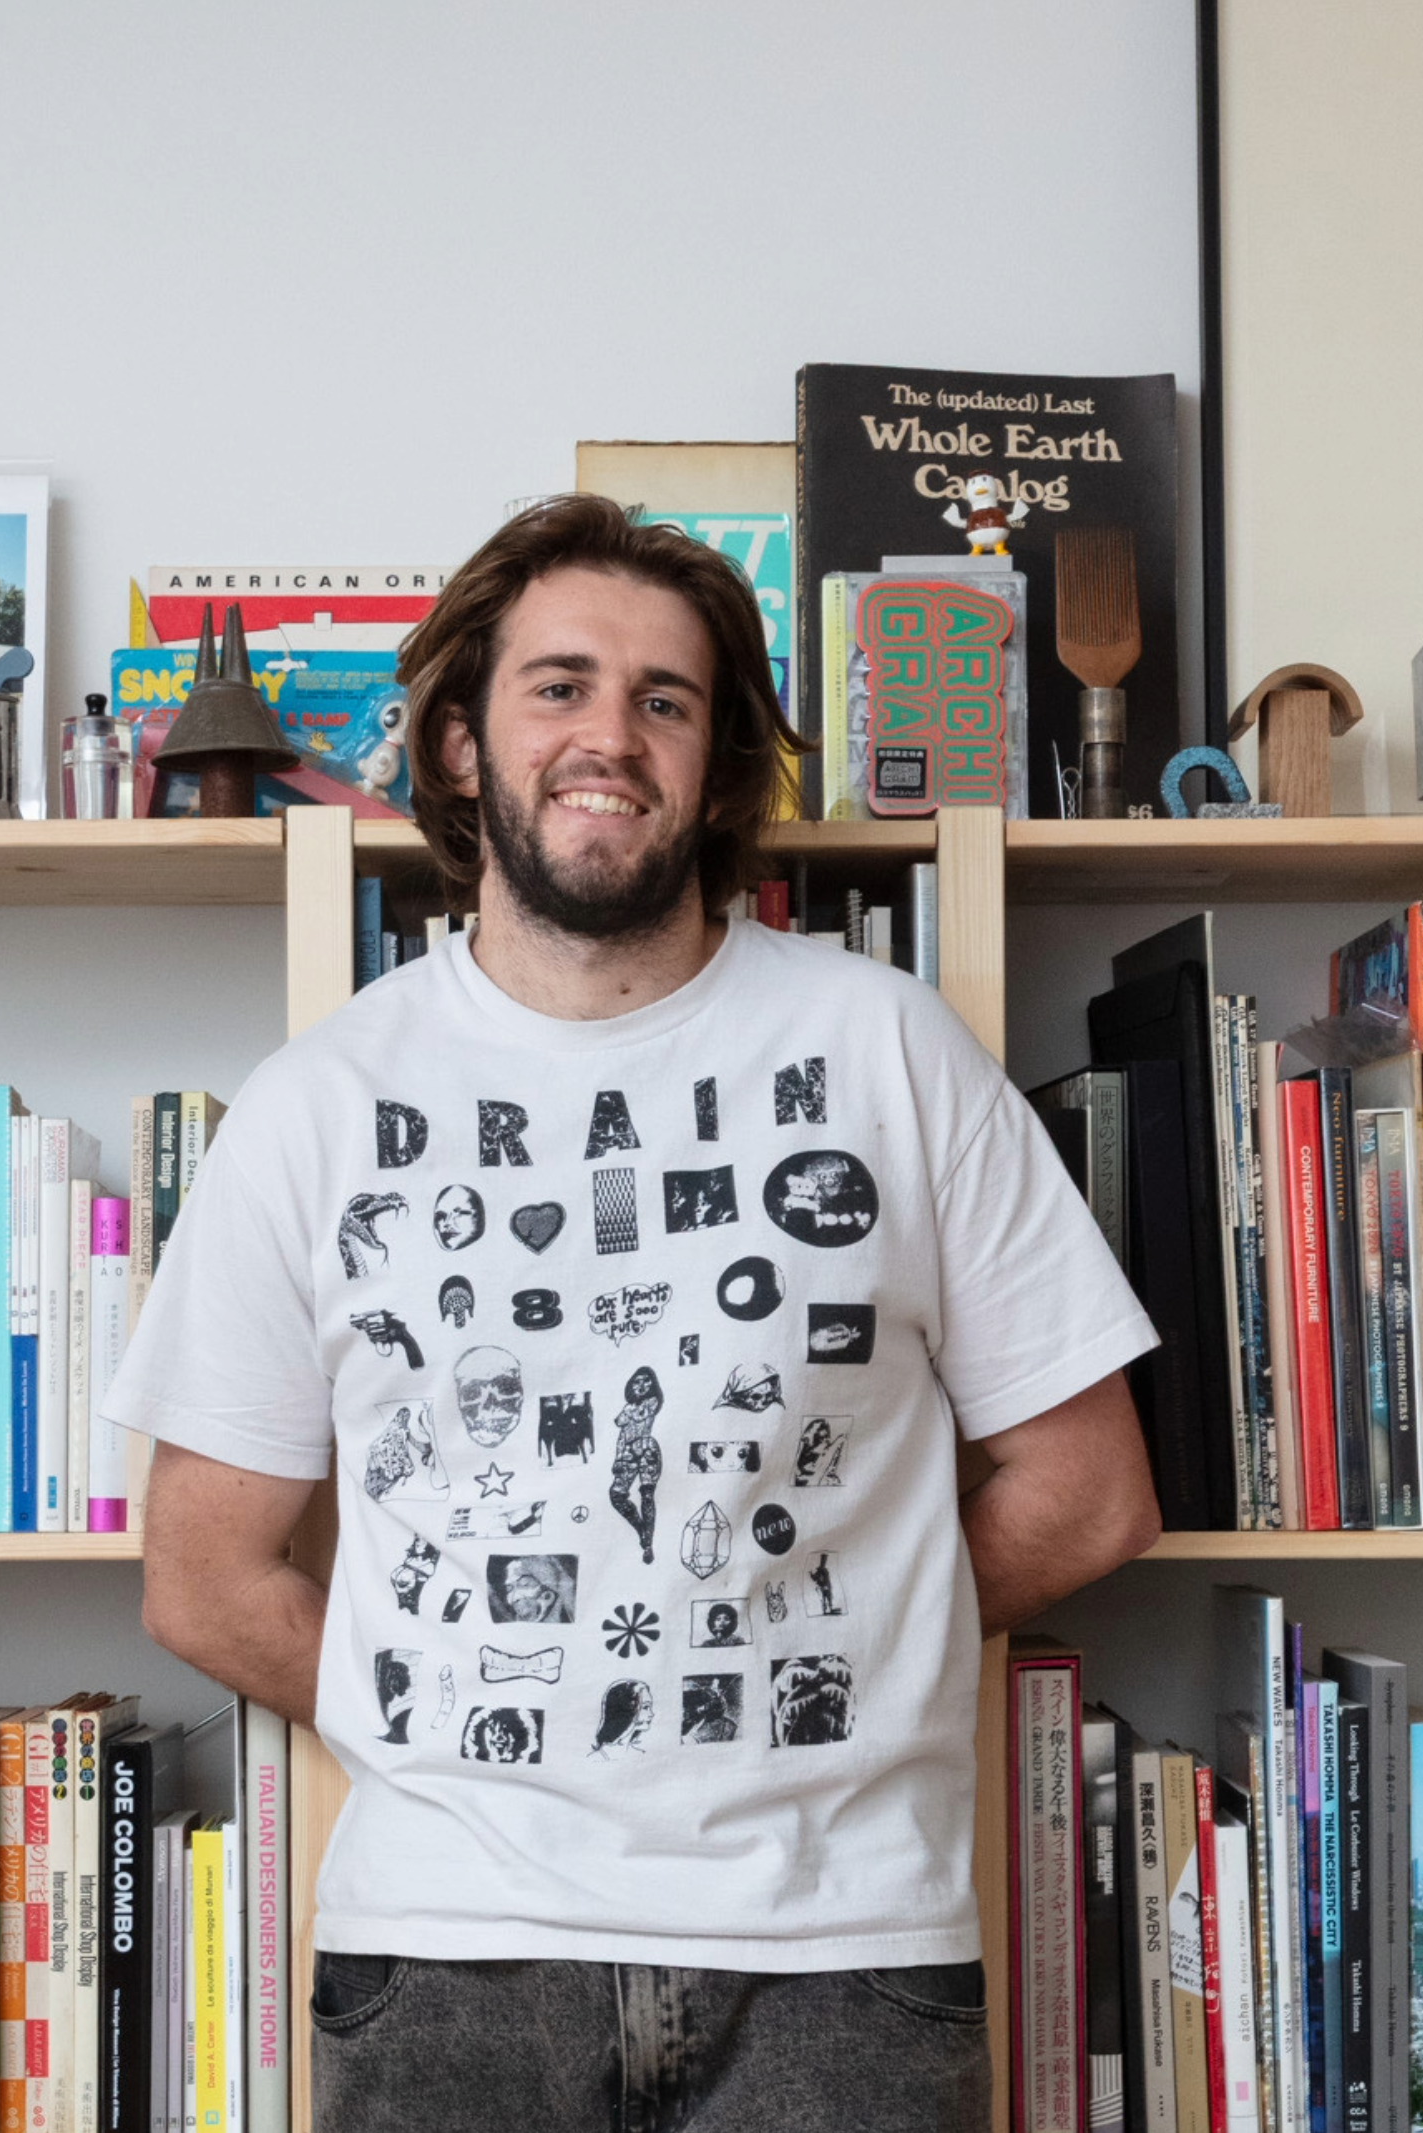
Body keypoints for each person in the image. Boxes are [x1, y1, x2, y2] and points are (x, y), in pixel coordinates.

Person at [104, 493, 1160, 2133]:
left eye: (666, 700)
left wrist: (854, 1636)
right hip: (448, 1954)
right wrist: (461, 1711)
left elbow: (1091, 1495)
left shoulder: (889, 1054)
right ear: (459, 744)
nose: (612, 735)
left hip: (846, 1955)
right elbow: (204, 1574)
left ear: (719, 764)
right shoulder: (319, 1108)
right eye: (560, 686)